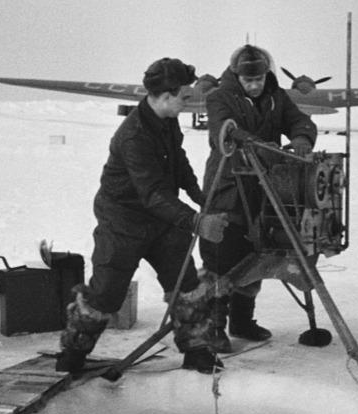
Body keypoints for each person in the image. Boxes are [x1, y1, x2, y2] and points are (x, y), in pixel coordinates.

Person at [56, 57, 229, 374]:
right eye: (184, 96)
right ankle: (73, 353)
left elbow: (178, 160)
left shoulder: (166, 119)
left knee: (186, 285)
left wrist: (198, 195)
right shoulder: (134, 136)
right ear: (166, 96)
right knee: (105, 294)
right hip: (123, 221)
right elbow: (151, 194)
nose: (188, 102)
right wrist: (196, 221)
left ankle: (198, 350)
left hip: (162, 219)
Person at [199, 44, 318, 353]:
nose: (254, 85)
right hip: (227, 185)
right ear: (236, 76)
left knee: (257, 250)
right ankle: (213, 327)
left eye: (259, 79)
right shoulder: (219, 97)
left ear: (267, 74)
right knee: (222, 254)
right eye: (247, 80)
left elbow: (299, 120)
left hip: (264, 186)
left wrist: (302, 138)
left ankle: (242, 320)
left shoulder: (277, 97)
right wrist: (245, 141)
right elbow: (220, 130)